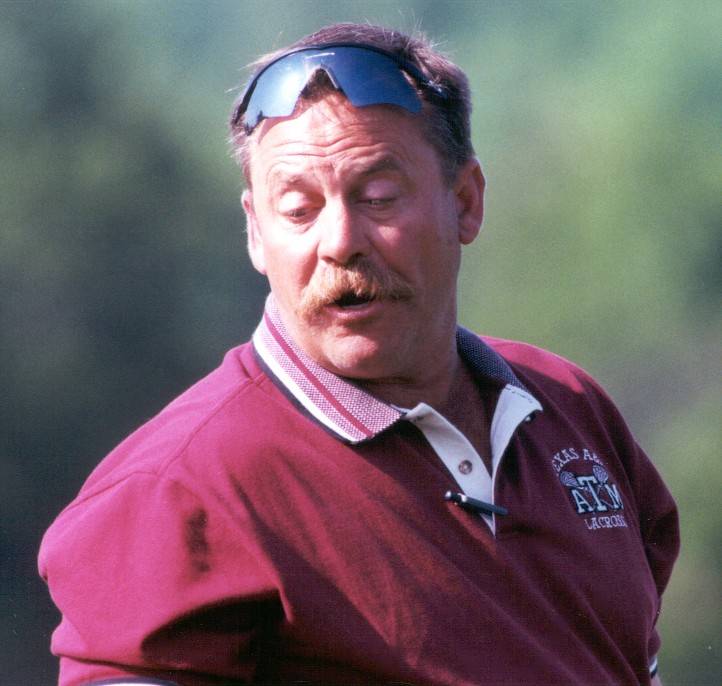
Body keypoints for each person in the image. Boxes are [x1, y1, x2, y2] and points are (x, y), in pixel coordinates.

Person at [39, 22, 679, 686]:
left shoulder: (569, 409)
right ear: (255, 231)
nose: (340, 241)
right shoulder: (175, 490)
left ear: (465, 202)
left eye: (378, 198)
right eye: (298, 210)